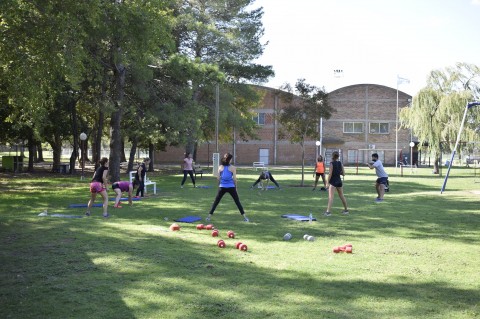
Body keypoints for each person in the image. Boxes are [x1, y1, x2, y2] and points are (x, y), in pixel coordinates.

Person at [206, 153, 249, 222]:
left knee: (216, 202)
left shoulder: (220, 167)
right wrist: (236, 187)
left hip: (222, 187)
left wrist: (219, 185)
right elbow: (234, 179)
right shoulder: (233, 168)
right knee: (237, 202)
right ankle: (245, 218)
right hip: (231, 187)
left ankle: (208, 217)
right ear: (230, 159)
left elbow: (218, 178)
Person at [324, 151, 349, 216]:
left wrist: (327, 183)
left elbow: (330, 174)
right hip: (339, 182)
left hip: (333, 182)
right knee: (342, 196)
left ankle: (328, 212)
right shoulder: (340, 163)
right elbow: (343, 174)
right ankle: (346, 210)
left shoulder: (331, 163)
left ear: (332, 156)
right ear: (338, 156)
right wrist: (338, 172)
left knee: (331, 197)